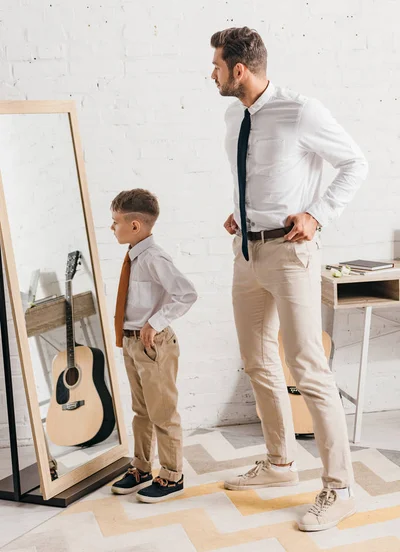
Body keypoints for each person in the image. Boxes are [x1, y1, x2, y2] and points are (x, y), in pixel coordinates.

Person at [210, 27, 368, 531]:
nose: (210, 72)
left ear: (240, 69)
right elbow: (253, 176)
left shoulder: (301, 111)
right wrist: (241, 213)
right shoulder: (235, 114)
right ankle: (281, 464)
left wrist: (316, 215)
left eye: (216, 64)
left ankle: (340, 488)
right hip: (248, 253)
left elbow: (355, 163)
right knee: (258, 360)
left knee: (307, 367)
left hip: (292, 254)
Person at [110, 188, 197, 503]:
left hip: (153, 344)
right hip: (132, 343)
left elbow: (186, 293)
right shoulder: (135, 256)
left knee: (163, 412)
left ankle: (173, 475)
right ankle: (142, 466)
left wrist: (154, 323)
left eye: (116, 221)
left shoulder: (153, 257)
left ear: (135, 225)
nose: (112, 227)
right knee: (141, 411)